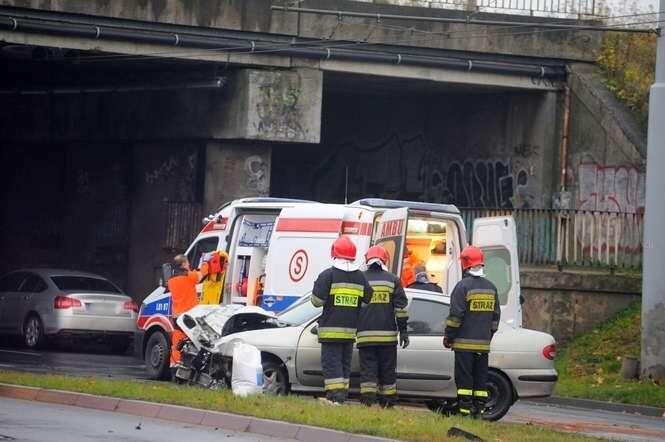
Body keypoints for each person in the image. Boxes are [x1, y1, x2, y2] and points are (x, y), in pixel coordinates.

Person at [311, 236, 373, 405]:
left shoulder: (328, 275)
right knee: (344, 365)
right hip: (350, 332)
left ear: (334, 253)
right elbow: (366, 301)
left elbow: (316, 302)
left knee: (332, 365)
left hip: (330, 332)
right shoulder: (360, 277)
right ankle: (341, 397)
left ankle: (335, 398)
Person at [443, 246, 500, 418]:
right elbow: (495, 319)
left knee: (464, 379)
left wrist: (448, 337)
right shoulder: (491, 288)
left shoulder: (462, 287)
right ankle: (479, 411)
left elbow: (455, 317)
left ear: (465, 263)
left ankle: (464, 412)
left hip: (463, 345)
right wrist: (487, 337)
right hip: (483, 346)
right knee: (480, 379)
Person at [357, 245, 409, 408]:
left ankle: (368, 403)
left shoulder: (360, 279)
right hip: (388, 338)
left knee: (368, 371)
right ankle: (388, 403)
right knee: (387, 371)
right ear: (384, 260)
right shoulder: (393, 280)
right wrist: (403, 332)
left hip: (365, 336)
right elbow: (401, 309)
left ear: (367, 259)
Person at [168, 254, 208, 372]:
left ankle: (174, 367)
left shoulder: (171, 280)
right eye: (187, 262)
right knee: (194, 342)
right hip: (189, 317)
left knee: (177, 344)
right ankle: (192, 368)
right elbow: (202, 274)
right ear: (184, 264)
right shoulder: (190, 276)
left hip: (177, 317)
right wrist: (205, 262)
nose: (189, 264)